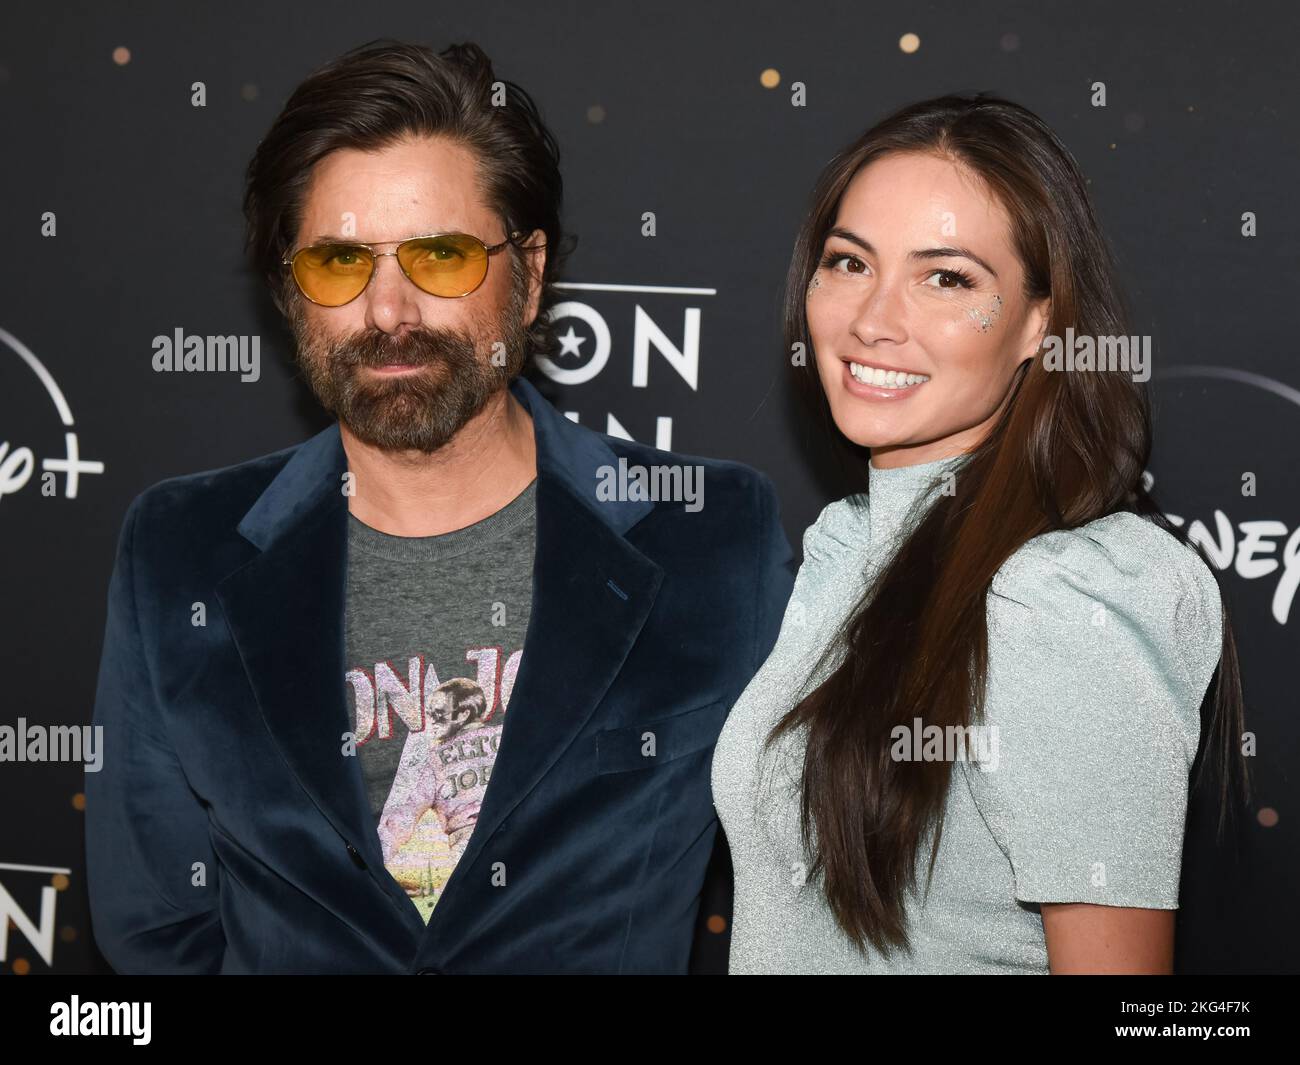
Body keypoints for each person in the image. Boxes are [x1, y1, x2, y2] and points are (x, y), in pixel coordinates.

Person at [84, 39, 795, 974]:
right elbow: (155, 929)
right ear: (291, 292)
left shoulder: (713, 538)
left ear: (530, 274)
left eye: (442, 256)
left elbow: (806, 895)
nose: (388, 311)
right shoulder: (179, 549)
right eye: (340, 261)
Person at [711, 93, 1249, 974]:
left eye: (947, 277)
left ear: (1041, 322)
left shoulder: (1064, 596)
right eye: (849, 263)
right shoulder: (847, 552)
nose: (874, 320)